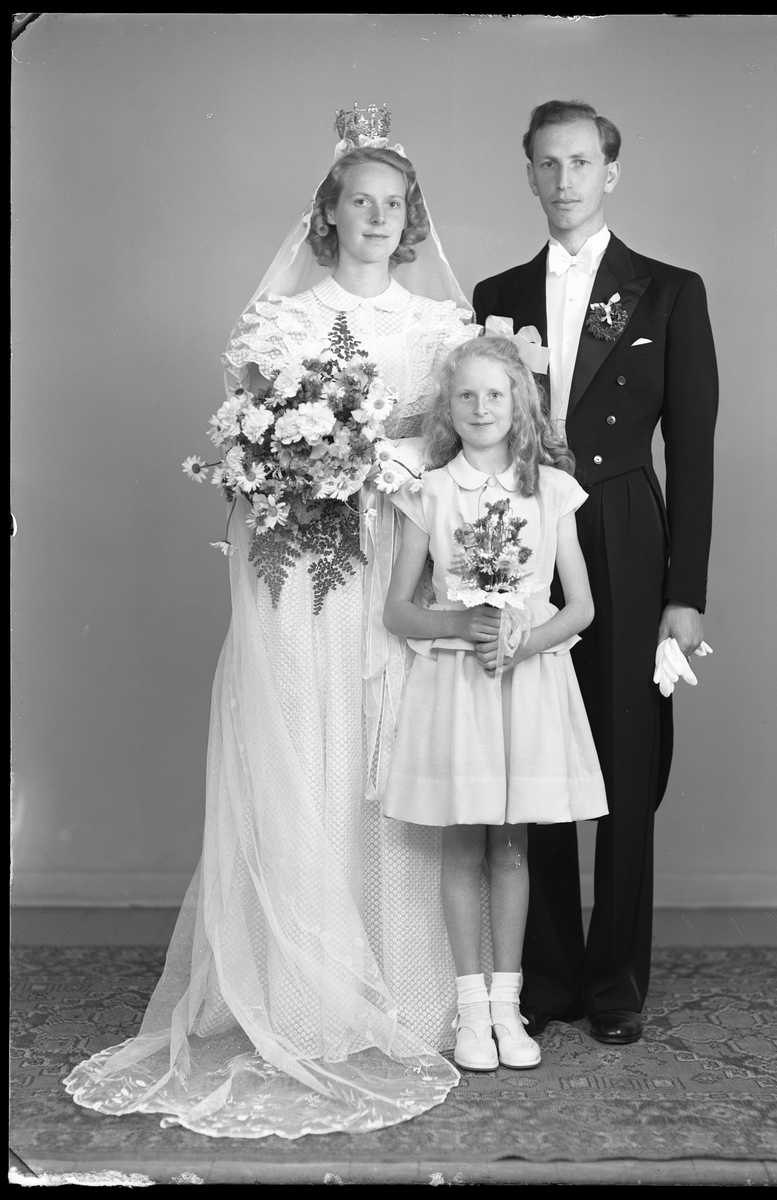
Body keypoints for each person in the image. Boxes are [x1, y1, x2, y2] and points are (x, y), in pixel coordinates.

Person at [64, 114, 481, 1139]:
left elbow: (465, 440)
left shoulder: (441, 325)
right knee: (304, 747)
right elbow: (253, 455)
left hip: (403, 557)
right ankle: (298, 992)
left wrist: (402, 465)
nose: (376, 219)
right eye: (358, 201)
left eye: (393, 204)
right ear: (327, 214)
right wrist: (313, 461)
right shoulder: (282, 323)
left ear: (410, 219)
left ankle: (405, 990)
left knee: (387, 752)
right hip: (308, 568)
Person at [473, 100, 718, 1046]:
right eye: (548, 163)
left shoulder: (668, 291)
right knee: (531, 748)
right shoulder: (496, 294)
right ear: (529, 175)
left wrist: (684, 594)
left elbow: (690, 453)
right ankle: (544, 976)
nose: (564, 180)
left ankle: (614, 983)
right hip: (525, 533)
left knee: (625, 756)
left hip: (622, 530)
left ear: (609, 172)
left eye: (580, 162)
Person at [381, 336, 608, 1072]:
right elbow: (398, 611)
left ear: (520, 405)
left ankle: (508, 1009)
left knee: (512, 847)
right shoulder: (429, 492)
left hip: (526, 682)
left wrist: (523, 642)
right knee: (463, 843)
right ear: (447, 409)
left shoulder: (552, 490)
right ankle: (471, 1015)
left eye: (495, 395)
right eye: (466, 396)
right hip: (457, 686)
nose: (481, 408)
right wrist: (461, 623)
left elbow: (580, 607)